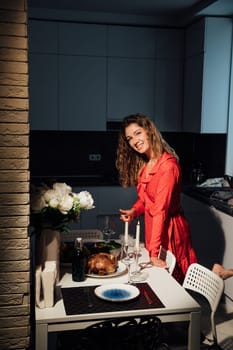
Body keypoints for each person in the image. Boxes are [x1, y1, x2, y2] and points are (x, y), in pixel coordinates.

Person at [116, 113, 197, 284]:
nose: (134, 141)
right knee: (159, 280)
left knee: (176, 281)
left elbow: (160, 209)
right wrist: (134, 211)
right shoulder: (147, 164)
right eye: (129, 138)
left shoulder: (168, 166)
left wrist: (153, 253)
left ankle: (217, 273)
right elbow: (146, 200)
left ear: (149, 131)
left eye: (138, 133)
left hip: (170, 230)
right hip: (154, 228)